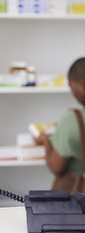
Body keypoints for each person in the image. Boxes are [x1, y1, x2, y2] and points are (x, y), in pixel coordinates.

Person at [33, 57, 85, 189]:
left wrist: (45, 140)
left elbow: (56, 167)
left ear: (81, 84)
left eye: (70, 85)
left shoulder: (73, 119)